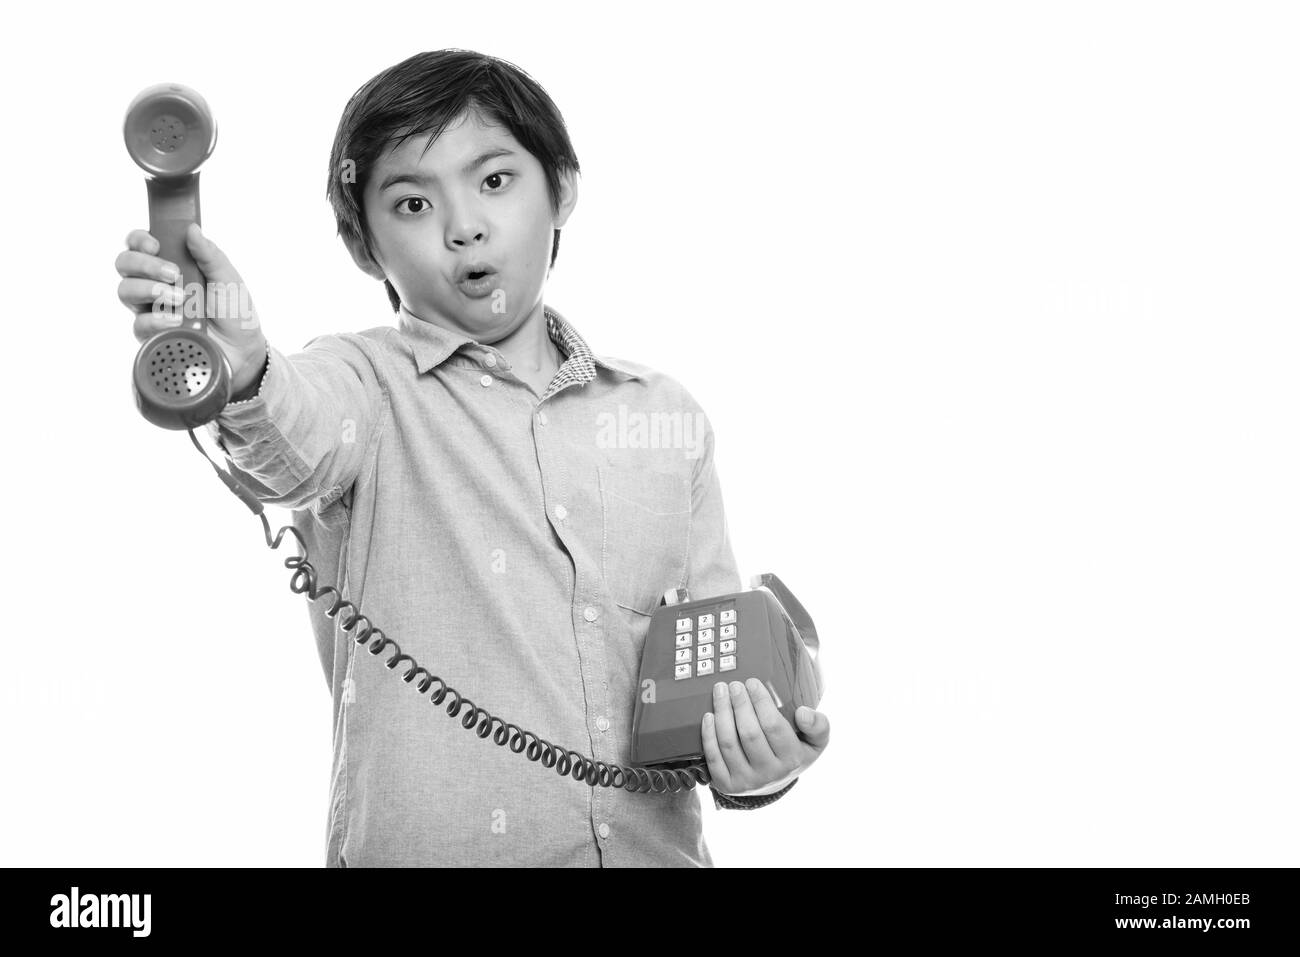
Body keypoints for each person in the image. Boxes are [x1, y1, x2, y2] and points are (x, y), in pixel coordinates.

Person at [114, 49, 829, 867]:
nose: (464, 225)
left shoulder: (664, 417)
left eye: (494, 181)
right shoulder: (363, 384)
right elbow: (295, 436)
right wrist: (244, 369)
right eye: (413, 201)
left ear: (560, 186)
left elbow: (716, 701)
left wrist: (762, 763)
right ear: (362, 246)